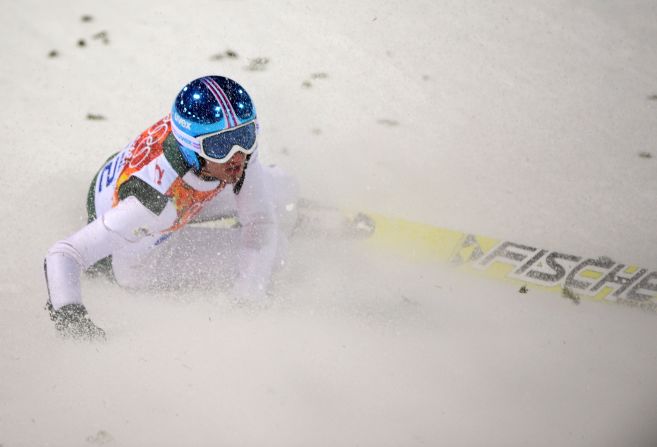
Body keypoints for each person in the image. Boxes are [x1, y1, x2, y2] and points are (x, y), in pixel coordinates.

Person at [44, 75, 298, 340]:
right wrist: (73, 325)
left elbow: (259, 219)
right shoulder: (152, 201)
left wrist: (250, 284)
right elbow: (64, 254)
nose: (237, 155)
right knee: (277, 248)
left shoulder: (223, 153)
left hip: (159, 193)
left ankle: (239, 218)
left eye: (246, 136)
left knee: (286, 187)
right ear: (192, 147)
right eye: (220, 145)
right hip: (134, 256)